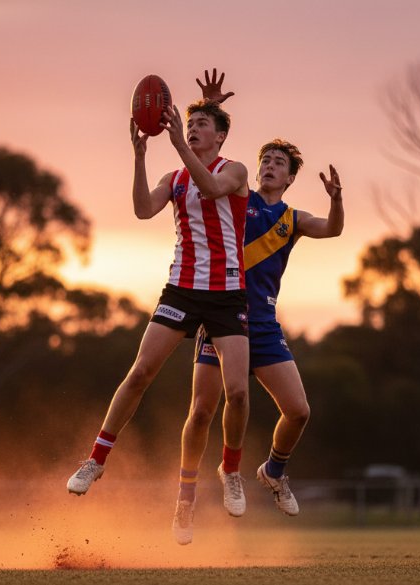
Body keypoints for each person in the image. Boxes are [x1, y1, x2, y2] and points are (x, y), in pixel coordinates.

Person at [170, 72, 345, 546]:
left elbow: (332, 229)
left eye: (279, 162)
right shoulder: (238, 198)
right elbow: (210, 155)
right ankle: (186, 498)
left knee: (299, 410)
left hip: (262, 324)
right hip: (221, 315)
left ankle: (273, 470)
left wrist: (338, 201)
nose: (269, 165)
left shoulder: (291, 219)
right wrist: (206, 106)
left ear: (290, 177)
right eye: (265, 158)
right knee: (202, 410)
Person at [66, 75, 252, 515]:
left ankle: (232, 471)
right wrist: (139, 156)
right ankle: (96, 459)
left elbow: (210, 187)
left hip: (227, 294)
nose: (193, 128)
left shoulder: (235, 171)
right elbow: (142, 210)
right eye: (191, 123)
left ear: (221, 135)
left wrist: (181, 142)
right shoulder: (175, 177)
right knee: (142, 371)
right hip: (182, 289)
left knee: (238, 394)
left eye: (203, 123)